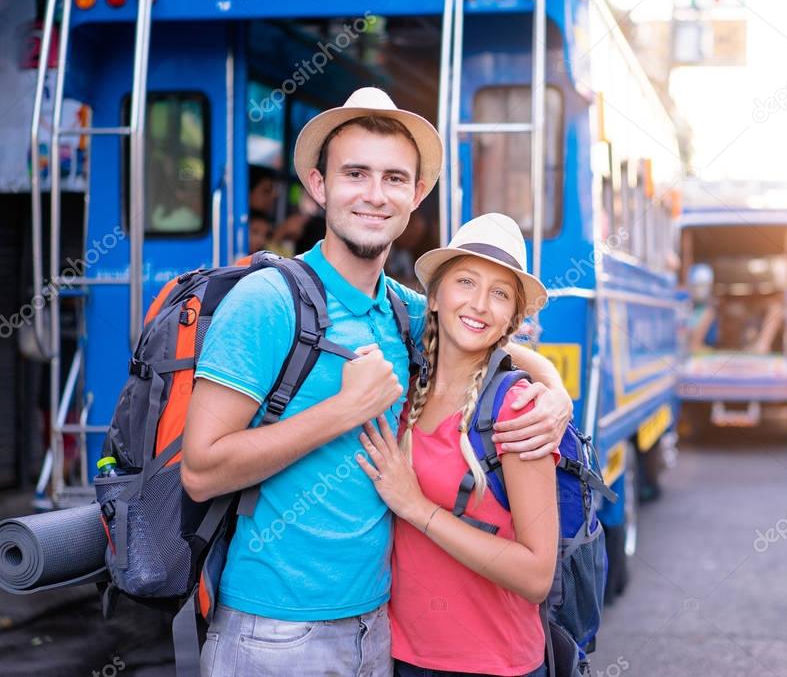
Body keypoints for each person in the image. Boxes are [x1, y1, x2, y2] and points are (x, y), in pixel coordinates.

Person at [182, 87, 573, 677]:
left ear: (416, 196)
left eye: (394, 178)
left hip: (378, 629)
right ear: (318, 185)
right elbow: (201, 471)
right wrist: (343, 410)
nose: (374, 194)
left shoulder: (402, 311)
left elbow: (487, 332)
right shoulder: (268, 301)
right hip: (277, 631)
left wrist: (554, 390)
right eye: (355, 173)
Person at [356, 213, 557, 677]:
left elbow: (536, 575)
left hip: (493, 664)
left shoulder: (517, 407)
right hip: (402, 656)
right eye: (466, 282)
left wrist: (416, 507)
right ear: (435, 298)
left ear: (512, 318)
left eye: (500, 293)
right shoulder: (404, 390)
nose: (480, 304)